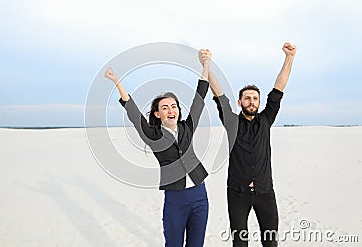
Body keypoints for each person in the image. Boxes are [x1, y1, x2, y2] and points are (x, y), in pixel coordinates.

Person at [104, 50, 212, 247]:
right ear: (158, 113)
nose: (171, 110)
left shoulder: (187, 127)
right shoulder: (153, 135)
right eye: (165, 107)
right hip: (175, 199)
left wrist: (205, 65)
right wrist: (116, 82)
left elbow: (199, 97)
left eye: (174, 106)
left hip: (199, 194)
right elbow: (133, 112)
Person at [199, 43, 297, 247]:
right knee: (240, 243)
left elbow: (279, 88)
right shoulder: (232, 122)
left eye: (255, 99)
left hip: (265, 193)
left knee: (270, 242)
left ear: (259, 103)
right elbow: (219, 95)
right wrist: (206, 65)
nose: (251, 101)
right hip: (237, 193)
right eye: (247, 98)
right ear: (240, 102)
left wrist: (289, 57)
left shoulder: (266, 119)